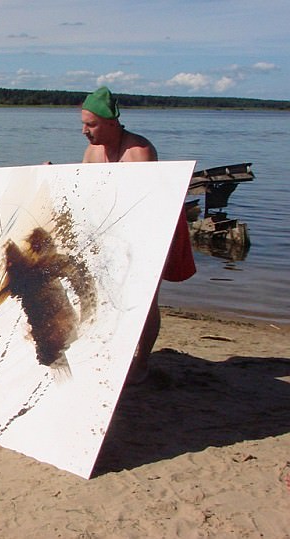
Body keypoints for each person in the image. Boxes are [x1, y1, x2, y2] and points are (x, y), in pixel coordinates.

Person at [80, 87, 196, 383]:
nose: (84, 131)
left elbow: (144, 201)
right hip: (110, 233)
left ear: (111, 122)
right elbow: (83, 190)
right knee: (104, 296)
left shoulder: (139, 151)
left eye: (90, 124)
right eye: (83, 124)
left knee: (145, 300)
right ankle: (110, 353)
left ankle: (141, 362)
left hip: (146, 231)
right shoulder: (93, 152)